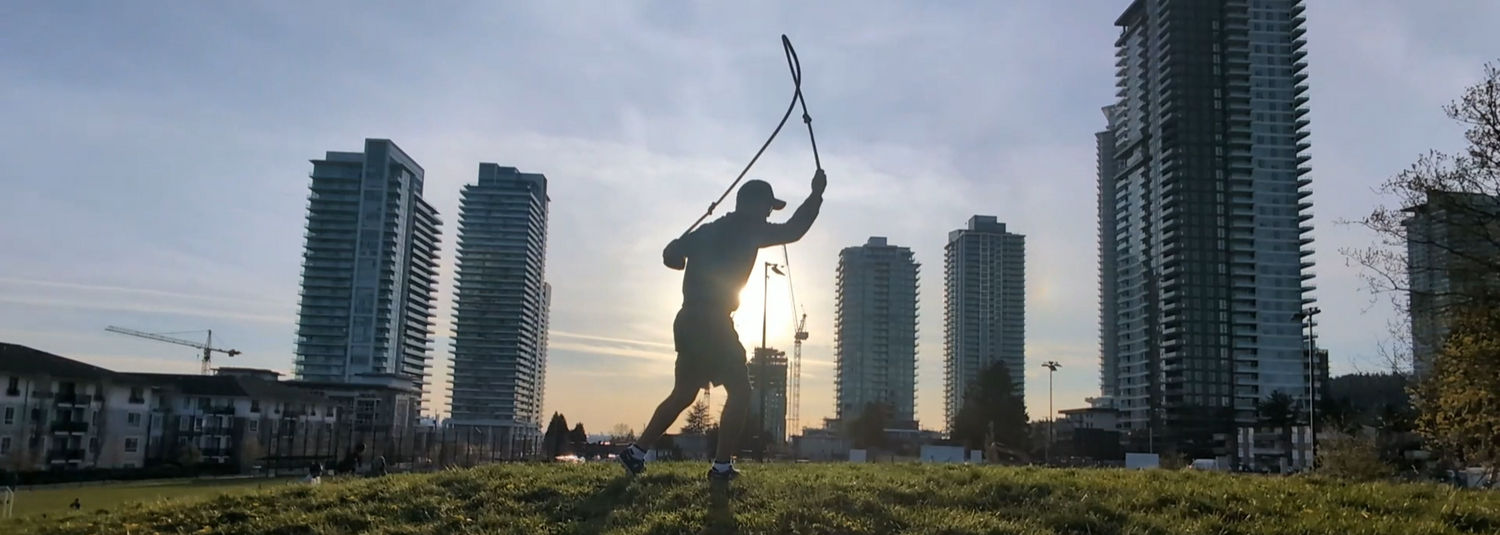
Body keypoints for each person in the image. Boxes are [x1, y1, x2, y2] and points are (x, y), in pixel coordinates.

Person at [620, 170, 827, 482]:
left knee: (684, 393)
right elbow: (795, 230)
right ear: (756, 205)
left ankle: (636, 452)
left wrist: (676, 251)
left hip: (688, 320)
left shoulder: (707, 230)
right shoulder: (750, 229)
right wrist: (816, 195)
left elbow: (670, 256)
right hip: (714, 323)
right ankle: (721, 467)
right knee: (741, 392)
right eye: (768, 207)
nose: (770, 213)